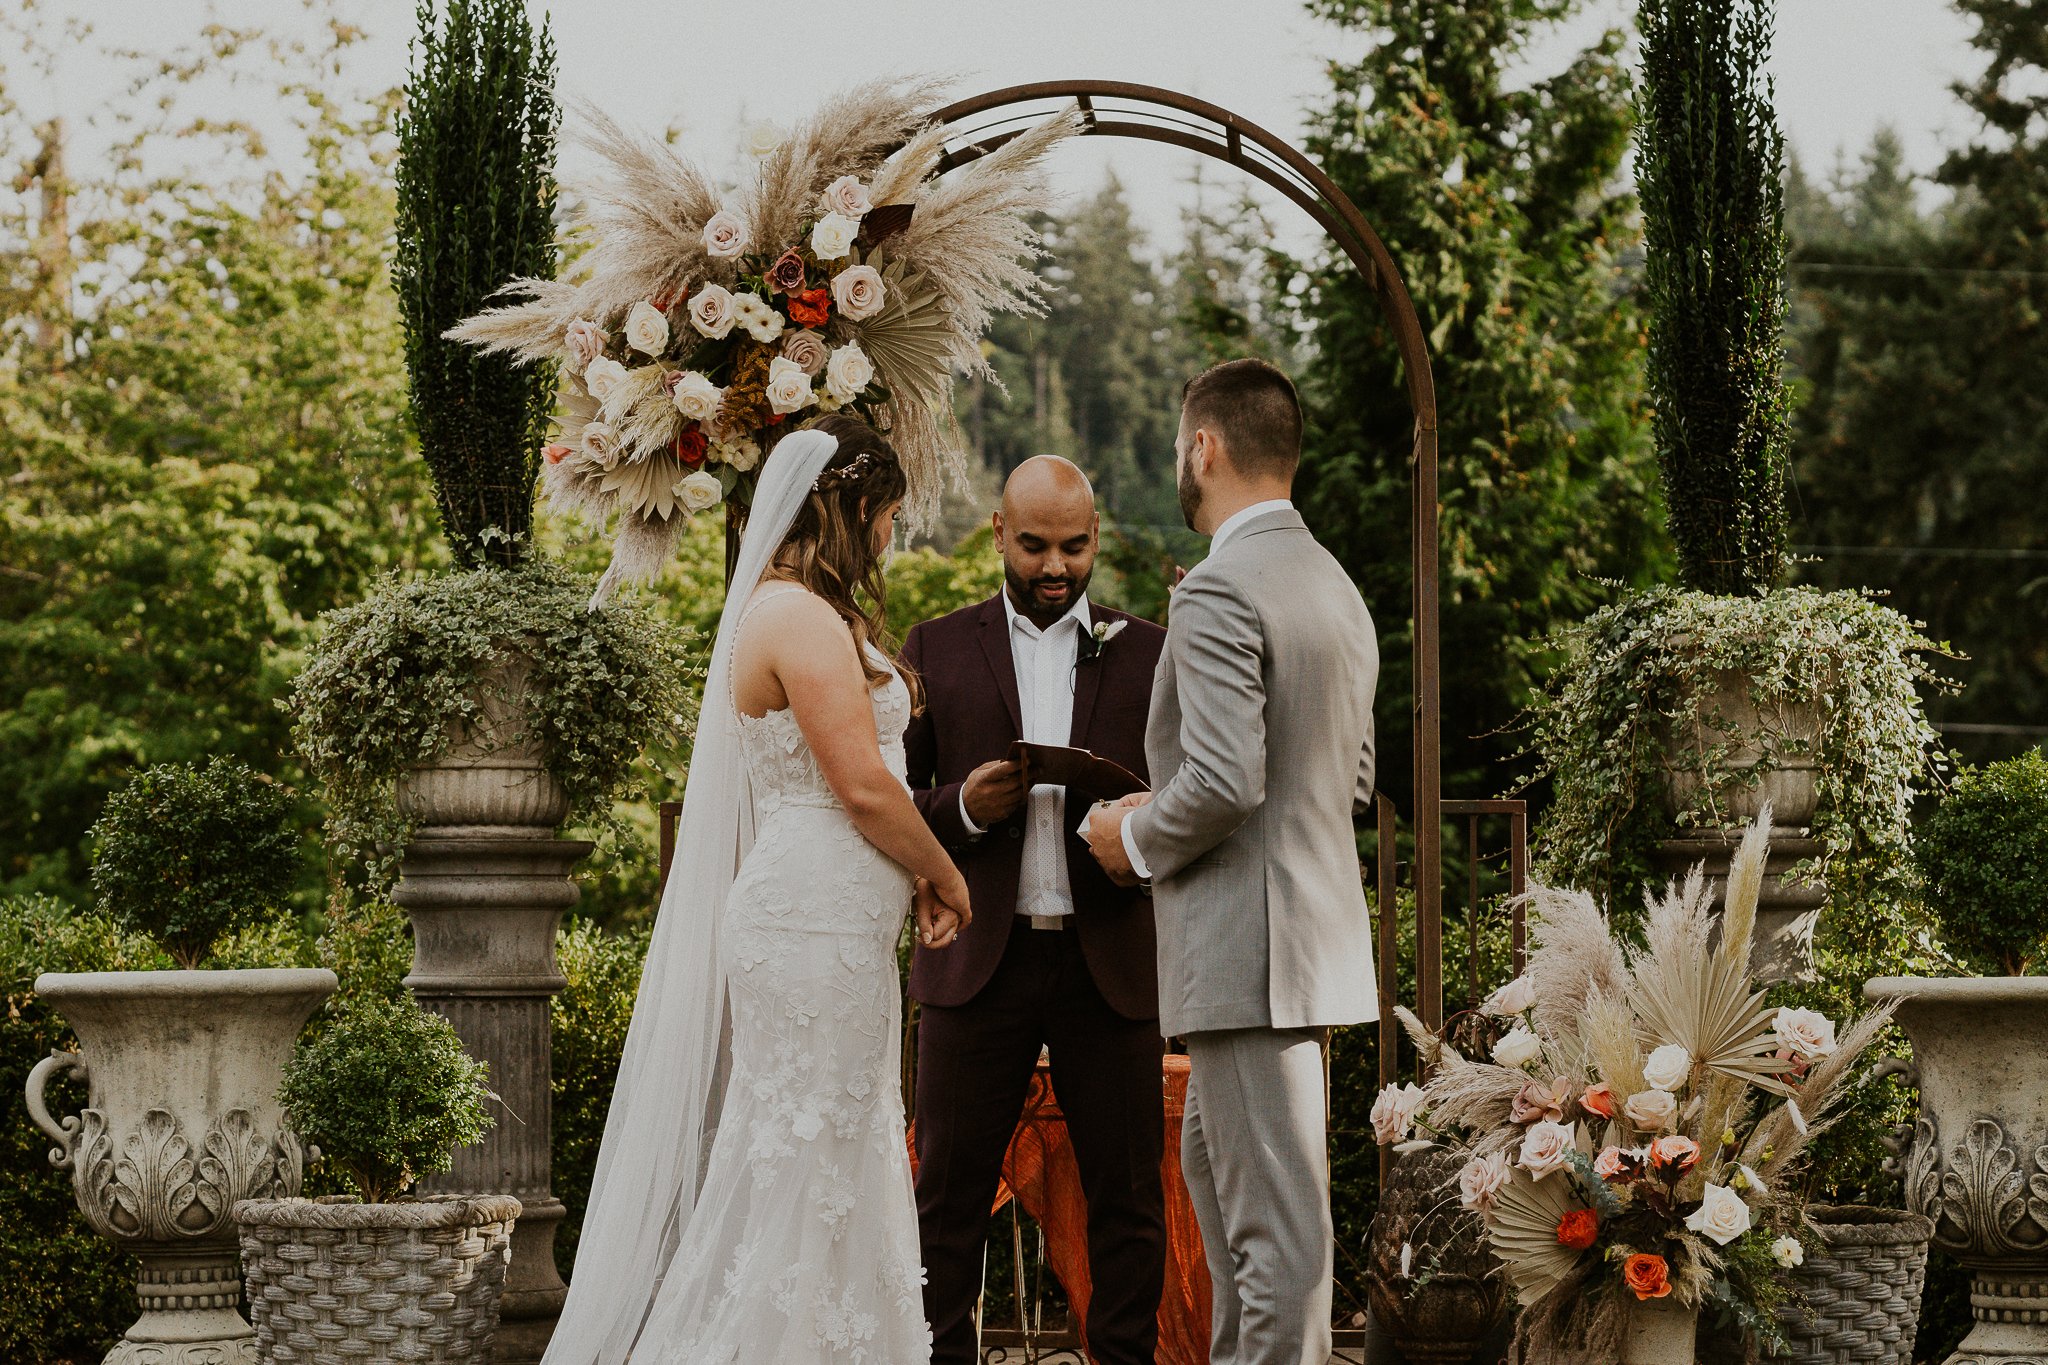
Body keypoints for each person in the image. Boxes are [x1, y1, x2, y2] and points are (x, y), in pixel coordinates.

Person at [543, 415, 968, 1365]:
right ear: (849, 507)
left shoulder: (806, 613)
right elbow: (862, 785)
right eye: (888, 516)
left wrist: (911, 883)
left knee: (830, 1148)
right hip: (809, 922)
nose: (892, 537)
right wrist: (943, 871)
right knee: (802, 1147)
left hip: (837, 922)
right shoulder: (793, 618)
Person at [1084, 358, 1379, 1365]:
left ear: (1202, 447)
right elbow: (1345, 780)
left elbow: (1220, 784)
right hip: (1302, 948)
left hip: (1247, 961)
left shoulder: (1217, 590)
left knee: (1276, 1248)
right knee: (1225, 1201)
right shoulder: (1335, 590)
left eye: (1179, 446)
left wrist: (1126, 836)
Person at [900, 456, 1169, 1365]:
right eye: (1035, 546)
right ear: (996, 534)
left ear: (1098, 538)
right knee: (947, 1193)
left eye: (1075, 546)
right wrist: (965, 808)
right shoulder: (934, 646)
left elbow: (1189, 793)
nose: (1056, 567)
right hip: (981, 958)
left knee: (1128, 1197)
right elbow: (889, 799)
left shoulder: (1151, 650)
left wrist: (1142, 820)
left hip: (1113, 963)